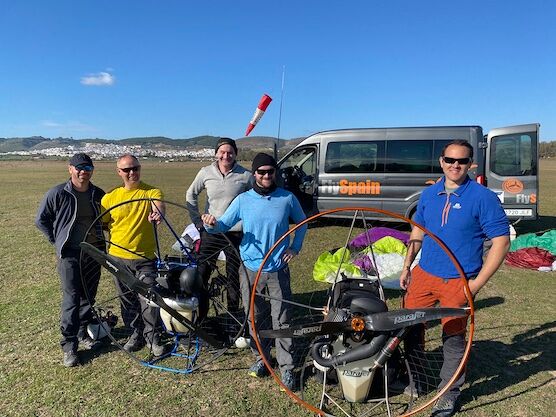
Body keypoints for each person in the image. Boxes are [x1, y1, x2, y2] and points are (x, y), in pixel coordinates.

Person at [399, 140, 510, 417]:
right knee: (410, 328)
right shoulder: (429, 195)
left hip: (459, 280)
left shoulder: (483, 197)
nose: (455, 166)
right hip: (424, 275)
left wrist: (475, 285)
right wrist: (407, 265)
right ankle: (417, 378)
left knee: (453, 337)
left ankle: (448, 394)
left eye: (461, 161)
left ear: (471, 164)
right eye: (449, 160)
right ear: (441, 162)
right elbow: (417, 232)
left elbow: (501, 242)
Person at [201, 153, 307, 391]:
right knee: (254, 317)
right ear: (255, 174)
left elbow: (303, 222)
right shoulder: (243, 200)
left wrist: (295, 248)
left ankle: (287, 368)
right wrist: (211, 222)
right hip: (249, 268)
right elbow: (223, 224)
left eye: (270, 171)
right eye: (261, 172)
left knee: (282, 318)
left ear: (275, 173)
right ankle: (262, 358)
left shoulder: (287, 198)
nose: (266, 175)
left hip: (277, 268)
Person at [36, 153, 105, 367]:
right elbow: (41, 220)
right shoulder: (58, 193)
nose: (84, 171)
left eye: (88, 167)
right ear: (70, 169)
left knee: (88, 295)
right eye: (79, 167)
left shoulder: (98, 193)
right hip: (69, 253)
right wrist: (56, 241)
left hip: (93, 252)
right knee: (72, 297)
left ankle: (84, 332)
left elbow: (110, 218)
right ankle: (69, 345)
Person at [101, 154, 168, 356]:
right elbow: (103, 223)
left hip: (144, 258)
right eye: (127, 170)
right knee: (127, 299)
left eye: (135, 168)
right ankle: (134, 334)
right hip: (117, 258)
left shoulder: (151, 192)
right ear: (119, 172)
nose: (132, 173)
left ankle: (152, 337)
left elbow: (159, 206)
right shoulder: (110, 198)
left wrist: (158, 214)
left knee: (148, 298)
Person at [186, 138, 252, 321]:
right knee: (201, 273)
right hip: (212, 231)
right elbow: (190, 194)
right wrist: (198, 221)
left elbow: (256, 199)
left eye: (230, 152)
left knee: (234, 275)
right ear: (216, 153)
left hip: (236, 233)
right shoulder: (205, 172)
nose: (226, 155)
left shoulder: (245, 176)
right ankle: (200, 316)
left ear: (235, 154)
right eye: (222, 152)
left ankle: (233, 314)